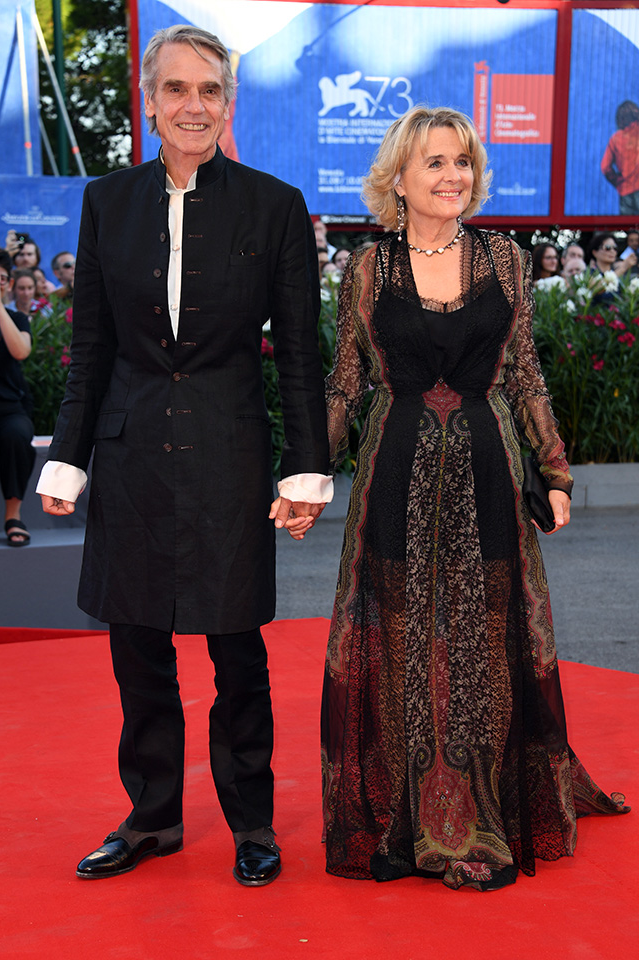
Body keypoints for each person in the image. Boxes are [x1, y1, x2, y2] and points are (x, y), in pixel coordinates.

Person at [36, 24, 332, 886]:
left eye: (209, 89)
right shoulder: (107, 202)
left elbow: (300, 355)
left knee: (237, 652)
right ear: (150, 100)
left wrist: (305, 473)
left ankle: (252, 822)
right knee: (138, 648)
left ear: (228, 103)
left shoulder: (274, 206)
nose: (192, 105)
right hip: (130, 458)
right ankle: (152, 816)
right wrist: (69, 461)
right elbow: (90, 351)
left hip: (229, 457)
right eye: (176, 88)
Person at [321, 105, 628, 892]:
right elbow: (347, 380)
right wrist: (307, 476)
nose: (454, 175)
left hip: (489, 470)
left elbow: (523, 371)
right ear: (398, 177)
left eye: (463, 161)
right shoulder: (370, 267)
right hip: (395, 472)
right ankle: (407, 811)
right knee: (402, 640)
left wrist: (554, 471)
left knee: (484, 640)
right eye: (435, 162)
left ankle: (477, 810)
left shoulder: (504, 258)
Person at [0, 250, 35, 546]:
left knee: (17, 435)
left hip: (9, 407)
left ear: (9, 284)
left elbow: (21, 351)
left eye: (1, 278)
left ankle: (13, 515)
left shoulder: (17, 318)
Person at [601, 100, 639, 215]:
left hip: (625, 192)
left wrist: (618, 181)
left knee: (627, 224)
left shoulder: (615, 139)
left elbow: (605, 167)